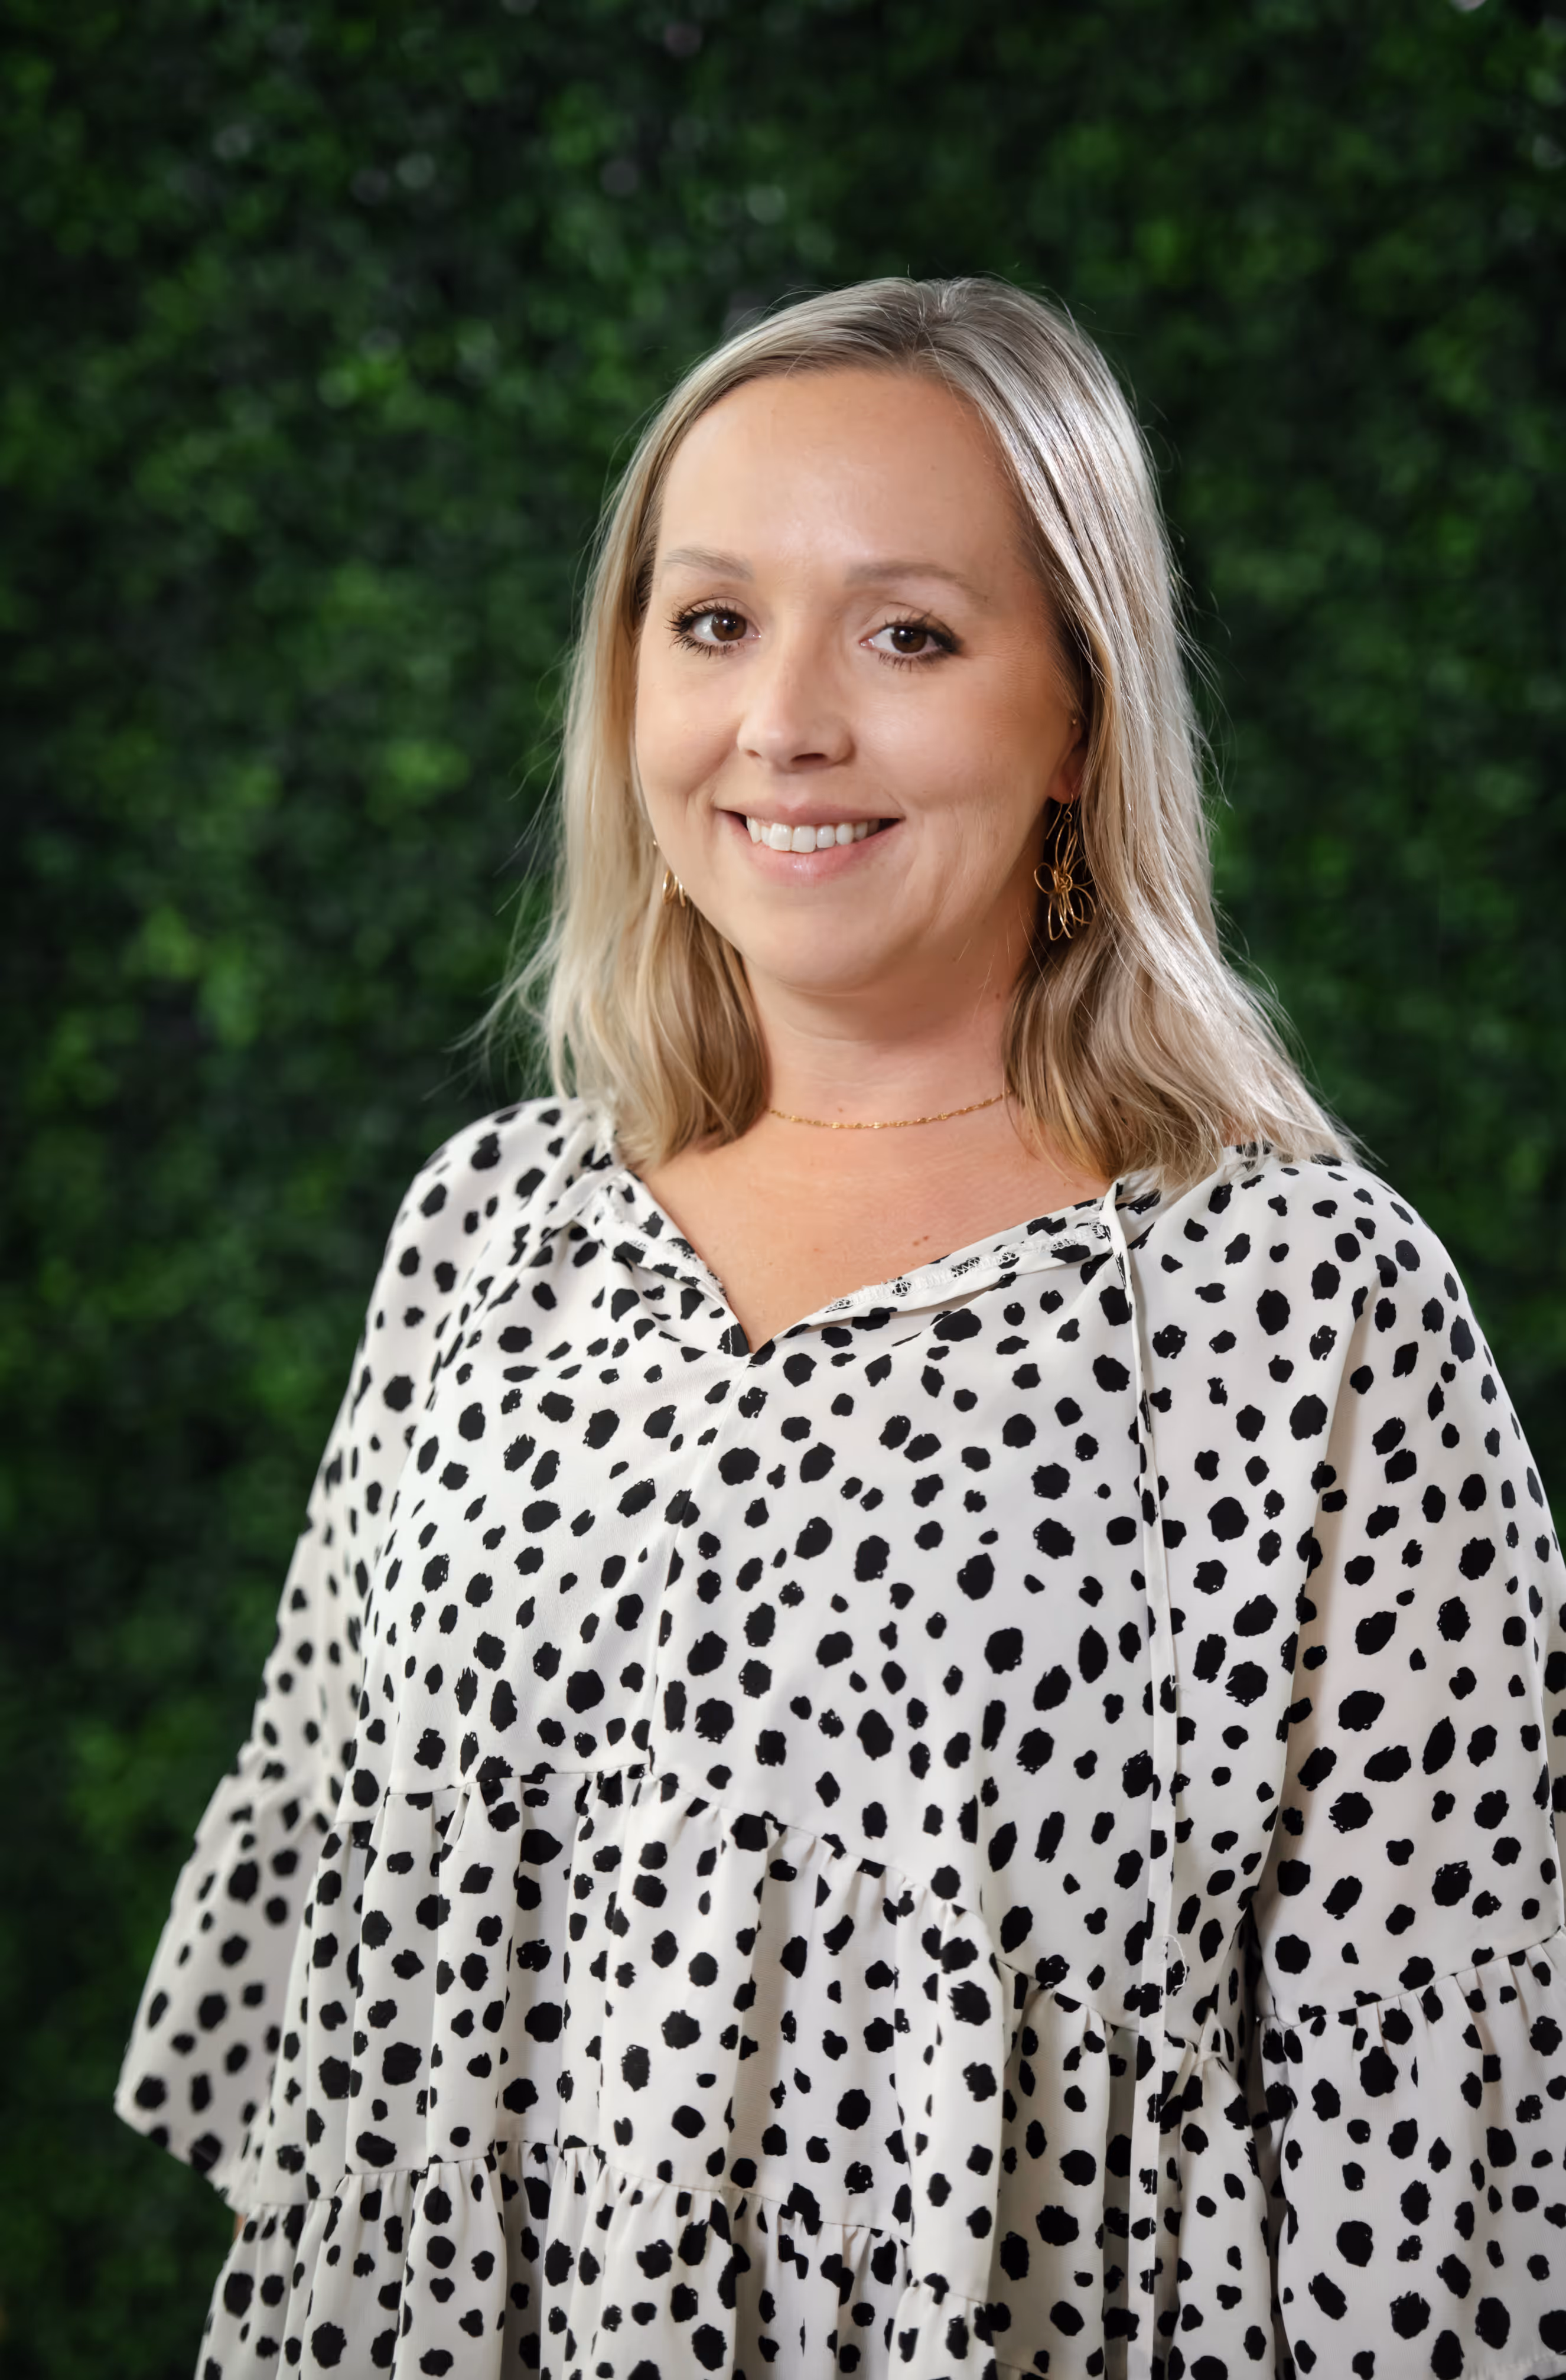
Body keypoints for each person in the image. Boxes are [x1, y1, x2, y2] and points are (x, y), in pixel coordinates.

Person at [116, 276, 1566, 2380]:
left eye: (907, 633)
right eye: (712, 622)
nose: (784, 721)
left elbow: (1450, 2110)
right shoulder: (493, 1235)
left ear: (1078, 710)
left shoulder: (1298, 1307)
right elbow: (342, 2016)